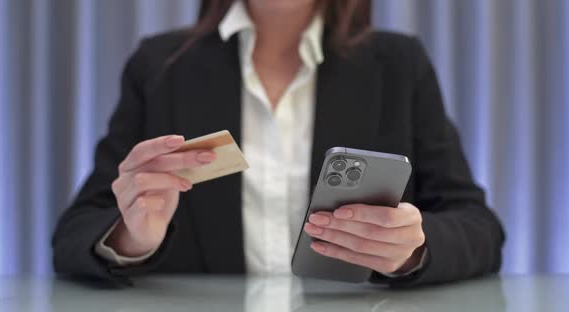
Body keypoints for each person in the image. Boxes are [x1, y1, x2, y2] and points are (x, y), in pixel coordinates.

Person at [52, 0, 505, 287]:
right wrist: (133, 237)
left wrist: (412, 250)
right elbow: (73, 235)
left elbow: (480, 229)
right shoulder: (159, 67)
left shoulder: (399, 65)